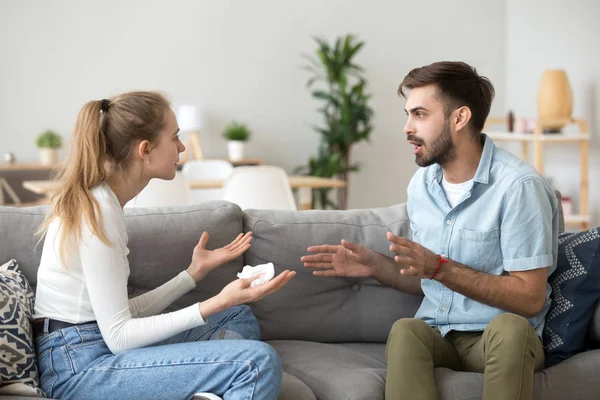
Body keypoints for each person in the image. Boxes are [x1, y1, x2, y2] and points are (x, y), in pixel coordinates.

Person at [302, 61, 558, 400]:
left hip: (499, 340)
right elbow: (430, 278)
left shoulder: (519, 187)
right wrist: (376, 266)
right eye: (408, 114)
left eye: (420, 114)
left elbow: (529, 297)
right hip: (440, 334)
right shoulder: (422, 185)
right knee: (407, 330)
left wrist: (439, 267)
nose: (407, 127)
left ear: (459, 118)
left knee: (510, 328)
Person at [33, 91, 296, 400]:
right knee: (257, 363)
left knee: (237, 317)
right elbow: (119, 336)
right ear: (145, 150)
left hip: (89, 342)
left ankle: (200, 387)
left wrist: (192, 275)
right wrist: (217, 301)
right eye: (175, 138)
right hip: (77, 366)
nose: (182, 147)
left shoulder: (104, 202)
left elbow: (120, 313)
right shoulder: (98, 212)